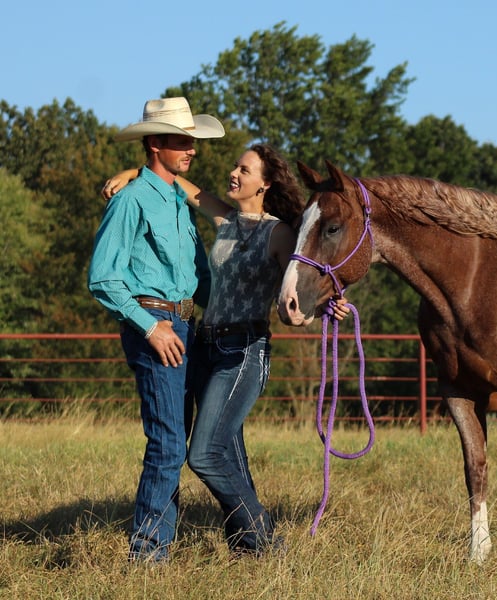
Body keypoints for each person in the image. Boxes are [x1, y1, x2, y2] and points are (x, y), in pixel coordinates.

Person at [104, 144, 349, 556]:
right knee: (229, 451)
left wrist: (327, 305)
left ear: (265, 184)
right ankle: (250, 545)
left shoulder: (280, 234)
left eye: (244, 169)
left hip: (244, 352)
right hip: (206, 346)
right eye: (236, 166)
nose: (233, 173)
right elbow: (180, 185)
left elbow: (299, 290)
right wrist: (132, 173)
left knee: (204, 454)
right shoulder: (227, 219)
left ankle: (264, 533)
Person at [88, 97, 225, 563]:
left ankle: (160, 540)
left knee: (180, 440)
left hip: (188, 326)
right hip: (156, 325)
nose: (192, 149)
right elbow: (103, 278)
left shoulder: (180, 204)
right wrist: (151, 328)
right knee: (167, 442)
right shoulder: (131, 200)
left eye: (192, 142)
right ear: (154, 144)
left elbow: (201, 279)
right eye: (181, 142)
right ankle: (148, 555)